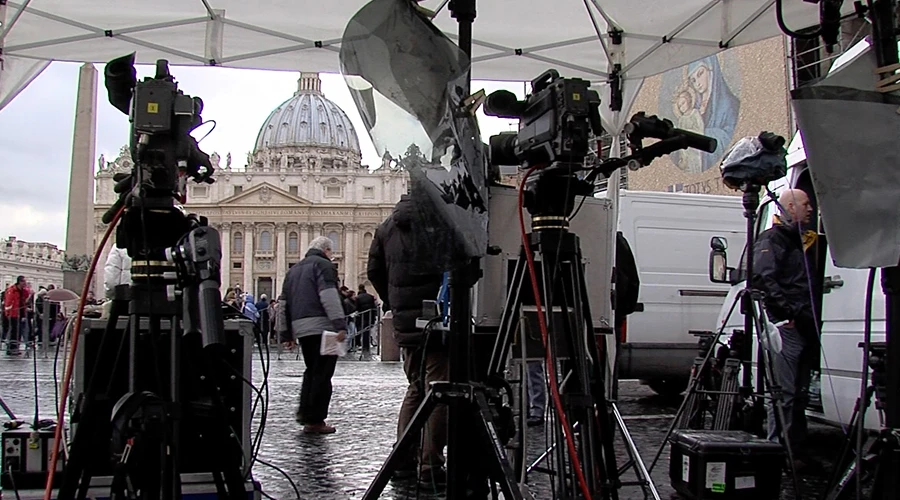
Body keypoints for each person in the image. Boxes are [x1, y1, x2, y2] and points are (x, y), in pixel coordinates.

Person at [368, 194, 447, 485]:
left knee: (416, 388)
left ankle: (402, 460)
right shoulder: (441, 219)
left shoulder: (387, 226)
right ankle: (430, 466)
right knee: (439, 389)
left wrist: (395, 304)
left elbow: (373, 272)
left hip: (405, 321)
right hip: (438, 319)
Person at [751, 188, 817, 466]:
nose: (810, 208)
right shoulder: (773, 239)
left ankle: (795, 450)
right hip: (789, 326)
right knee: (785, 394)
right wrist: (784, 314)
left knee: (798, 394)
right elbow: (764, 278)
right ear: (790, 207)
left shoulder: (797, 240)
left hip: (801, 323)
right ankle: (780, 452)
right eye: (805, 204)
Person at [277, 236, 347, 434]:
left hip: (302, 328)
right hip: (325, 327)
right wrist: (340, 324)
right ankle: (315, 420)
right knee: (323, 374)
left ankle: (305, 413)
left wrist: (285, 333)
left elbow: (283, 305)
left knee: (311, 370)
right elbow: (329, 296)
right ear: (326, 250)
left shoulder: (294, 270)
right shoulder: (324, 266)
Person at [4, 276, 28, 355]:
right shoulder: (12, 290)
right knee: (13, 331)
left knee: (18, 331)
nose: (25, 283)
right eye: (24, 281)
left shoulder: (22, 291)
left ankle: (15, 347)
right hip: (13, 314)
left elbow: (26, 297)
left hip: (20, 313)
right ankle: (11, 348)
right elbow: (8, 302)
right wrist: (8, 313)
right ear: (20, 282)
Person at [355, 285, 377, 354]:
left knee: (361, 331)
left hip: (362, 316)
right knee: (367, 331)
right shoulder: (370, 296)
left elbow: (356, 307)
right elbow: (373, 307)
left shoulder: (358, 298)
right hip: (369, 316)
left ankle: (361, 345)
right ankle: (366, 345)